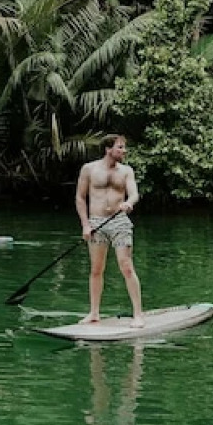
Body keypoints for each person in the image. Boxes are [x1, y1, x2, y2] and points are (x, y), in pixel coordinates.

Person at [76, 133, 142, 327]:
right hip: (96, 223)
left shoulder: (126, 171)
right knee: (96, 269)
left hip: (119, 222)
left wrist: (129, 203)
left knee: (126, 266)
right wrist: (85, 225)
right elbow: (80, 198)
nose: (124, 150)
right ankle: (94, 313)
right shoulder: (89, 169)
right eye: (120, 147)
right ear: (108, 149)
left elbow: (134, 194)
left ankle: (138, 315)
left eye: (124, 147)